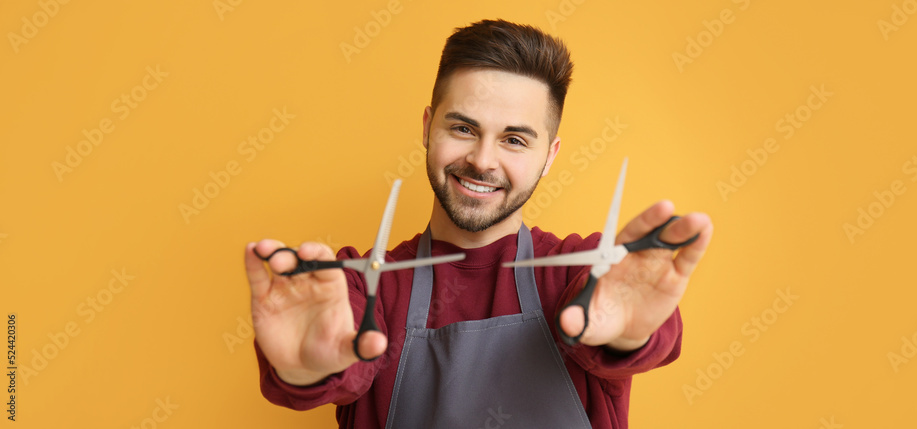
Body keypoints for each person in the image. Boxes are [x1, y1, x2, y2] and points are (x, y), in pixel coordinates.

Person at [244, 19, 713, 428]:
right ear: (428, 127)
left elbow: (628, 323)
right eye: (463, 129)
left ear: (549, 156)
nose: (482, 160)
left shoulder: (580, 273)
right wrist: (308, 367)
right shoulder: (362, 285)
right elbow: (332, 359)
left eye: (513, 139)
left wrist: (630, 332)